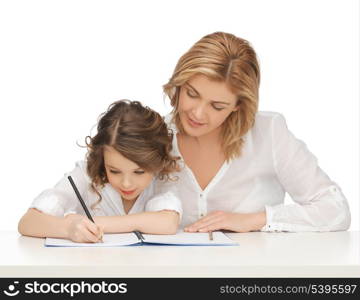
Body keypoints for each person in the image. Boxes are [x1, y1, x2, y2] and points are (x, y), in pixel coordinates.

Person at [160, 31, 351, 233]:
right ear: (179, 84)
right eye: (192, 94)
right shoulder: (154, 135)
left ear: (238, 105)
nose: (198, 113)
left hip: (256, 264)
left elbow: (335, 210)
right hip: (175, 265)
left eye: (217, 106)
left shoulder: (269, 133)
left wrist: (253, 220)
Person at [18, 100, 182, 242]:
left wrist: (93, 223)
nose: (126, 183)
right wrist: (69, 228)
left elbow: (168, 223)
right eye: (114, 171)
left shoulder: (162, 177)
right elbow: (27, 222)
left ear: (158, 162)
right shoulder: (84, 175)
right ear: (102, 159)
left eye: (139, 172)